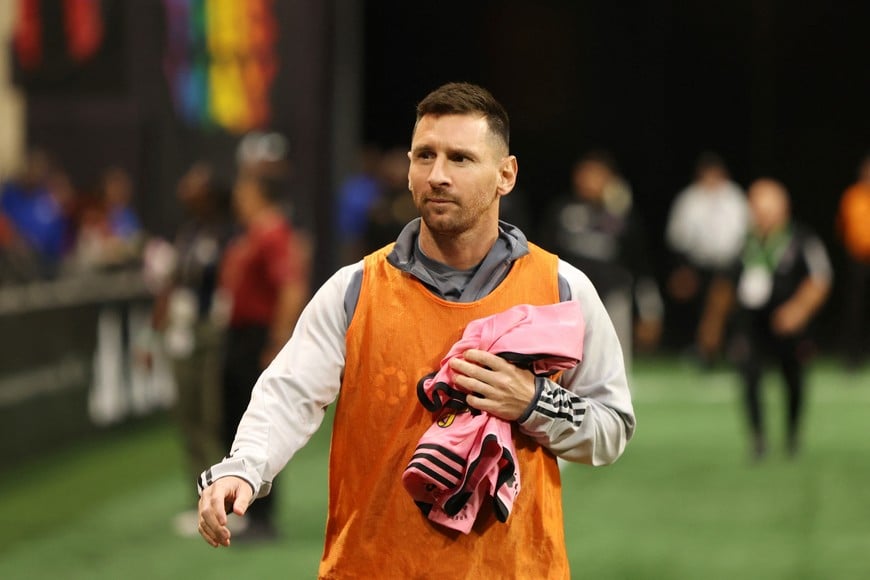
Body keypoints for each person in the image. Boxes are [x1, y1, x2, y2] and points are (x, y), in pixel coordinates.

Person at [197, 82, 634, 577]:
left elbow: (612, 428)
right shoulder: (355, 290)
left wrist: (535, 402)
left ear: (505, 175)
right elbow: (287, 394)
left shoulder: (562, 288)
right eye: (424, 156)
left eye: (461, 159)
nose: (438, 175)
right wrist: (244, 467)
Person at [215, 170, 310, 541]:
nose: (237, 196)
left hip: (258, 338)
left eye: (244, 188)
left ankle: (261, 517)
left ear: (260, 193)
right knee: (233, 422)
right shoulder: (253, 232)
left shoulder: (273, 233)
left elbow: (290, 286)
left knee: (256, 423)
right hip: (239, 336)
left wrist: (277, 342)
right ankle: (241, 508)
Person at [710, 179, 831, 462]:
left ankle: (792, 435)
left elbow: (820, 279)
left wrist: (797, 310)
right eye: (756, 207)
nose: (761, 214)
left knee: (794, 378)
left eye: (767, 208)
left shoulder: (801, 239)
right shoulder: (744, 243)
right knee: (749, 376)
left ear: (783, 209)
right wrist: (713, 325)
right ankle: (758, 438)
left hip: (790, 324)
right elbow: (725, 285)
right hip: (752, 324)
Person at [144, 162, 234, 536]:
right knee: (189, 418)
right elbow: (170, 286)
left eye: (195, 183)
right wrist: (151, 336)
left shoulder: (227, 234)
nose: (185, 189)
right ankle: (198, 501)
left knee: (214, 418)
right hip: (182, 335)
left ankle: (226, 505)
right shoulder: (187, 233)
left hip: (214, 335)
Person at [539, 150, 663, 365]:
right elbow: (541, 258)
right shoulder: (561, 212)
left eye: (596, 174)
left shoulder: (623, 216)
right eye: (585, 173)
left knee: (613, 363)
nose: (589, 180)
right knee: (564, 367)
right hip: (567, 299)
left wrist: (650, 312)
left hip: (613, 300)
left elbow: (641, 267)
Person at [664, 152, 748, 365]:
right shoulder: (689, 199)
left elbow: (746, 234)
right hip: (697, 266)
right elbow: (678, 238)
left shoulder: (734, 198)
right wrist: (682, 270)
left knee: (719, 304)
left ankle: (712, 348)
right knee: (701, 301)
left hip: (732, 264)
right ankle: (705, 348)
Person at [835, 152, 870, 369]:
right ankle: (852, 358)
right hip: (858, 260)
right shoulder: (852, 196)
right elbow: (842, 226)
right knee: (856, 309)